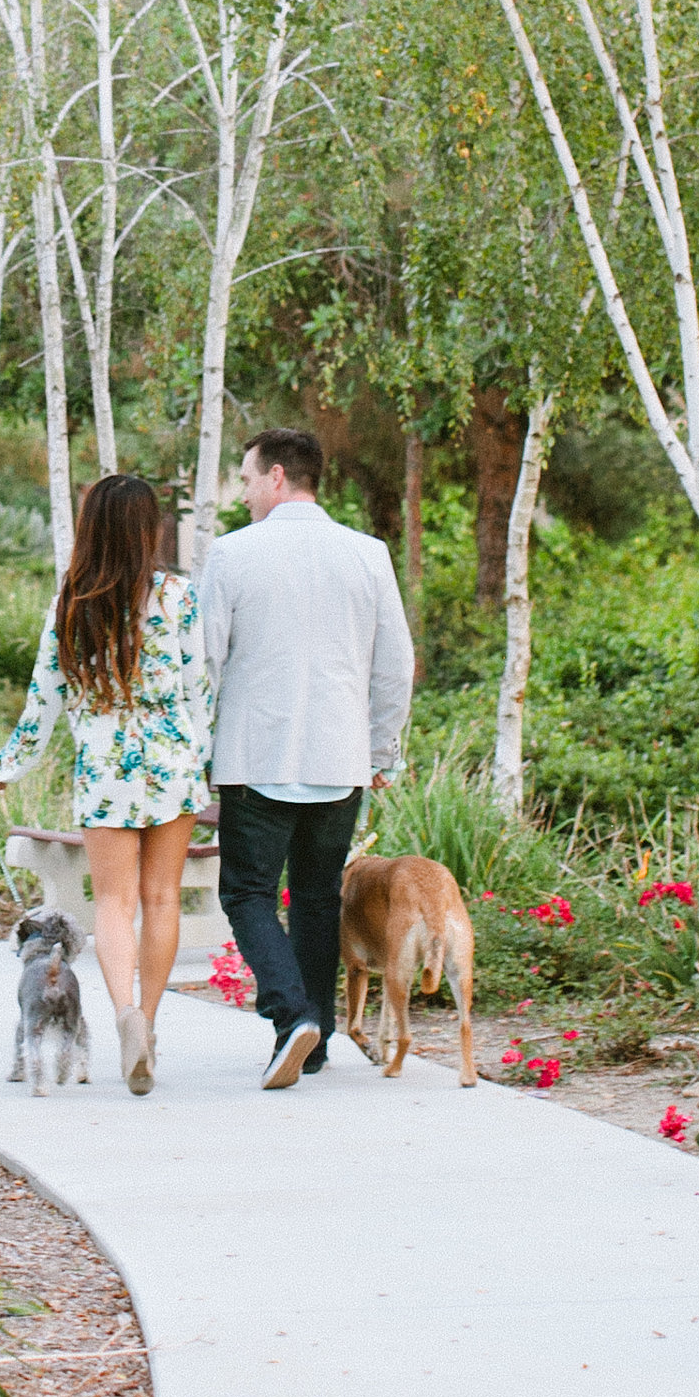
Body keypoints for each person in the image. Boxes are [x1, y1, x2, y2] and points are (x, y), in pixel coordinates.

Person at [0, 471, 211, 1094]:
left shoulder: (71, 604)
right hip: (171, 763)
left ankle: (124, 1014)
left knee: (113, 903)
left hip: (104, 769)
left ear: (90, 531)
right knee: (161, 899)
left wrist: (0, 770)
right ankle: (149, 1027)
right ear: (148, 530)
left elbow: (40, 708)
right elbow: (199, 692)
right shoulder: (178, 598)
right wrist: (205, 761)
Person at [197, 424, 413, 1090]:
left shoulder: (231, 556)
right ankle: (313, 1042)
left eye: (247, 479)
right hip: (339, 758)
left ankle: (293, 1017)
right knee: (318, 898)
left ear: (278, 478)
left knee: (247, 893)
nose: (242, 494)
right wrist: (383, 750)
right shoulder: (369, 554)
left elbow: (203, 663)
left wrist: (192, 752)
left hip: (254, 758)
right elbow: (395, 666)